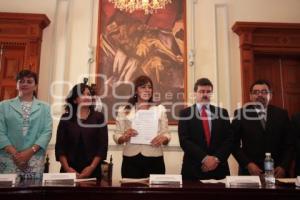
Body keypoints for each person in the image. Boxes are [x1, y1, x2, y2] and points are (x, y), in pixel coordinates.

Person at [232, 80, 293, 178]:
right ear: (250, 96)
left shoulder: (282, 114)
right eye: (256, 92)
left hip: (278, 172)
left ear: (270, 95)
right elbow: (233, 144)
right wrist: (248, 164)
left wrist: (283, 166)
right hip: (250, 172)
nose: (260, 95)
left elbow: (289, 144)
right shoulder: (240, 114)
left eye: (264, 92)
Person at [113, 75, 171, 178]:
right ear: (136, 91)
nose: (147, 90)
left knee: (155, 193)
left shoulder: (160, 109)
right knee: (130, 192)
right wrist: (124, 136)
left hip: (154, 158)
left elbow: (166, 133)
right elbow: (117, 135)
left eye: (149, 87)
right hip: (131, 159)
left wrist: (164, 138)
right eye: (143, 87)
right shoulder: (124, 110)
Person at [0, 69, 52, 179]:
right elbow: (0, 131)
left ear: (35, 86)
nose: (25, 84)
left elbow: (47, 132)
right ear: (17, 85)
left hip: (34, 158)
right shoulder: (3, 106)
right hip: (8, 158)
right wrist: (15, 154)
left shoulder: (45, 107)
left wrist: (29, 152)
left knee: (32, 194)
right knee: (7, 194)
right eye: (21, 81)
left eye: (29, 81)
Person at [178, 78, 233, 180]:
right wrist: (205, 158)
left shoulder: (222, 113)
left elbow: (229, 140)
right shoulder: (185, 113)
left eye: (208, 92)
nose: (205, 94)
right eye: (201, 91)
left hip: (219, 169)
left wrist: (216, 159)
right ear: (195, 93)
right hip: (193, 170)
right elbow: (184, 141)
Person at [55, 83, 108, 178]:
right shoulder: (66, 118)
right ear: (75, 100)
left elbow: (102, 147)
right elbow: (60, 147)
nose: (87, 97)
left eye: (89, 94)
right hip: (68, 170)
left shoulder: (99, 117)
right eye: (82, 94)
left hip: (92, 170)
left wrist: (91, 167)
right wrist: (67, 168)